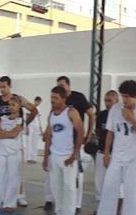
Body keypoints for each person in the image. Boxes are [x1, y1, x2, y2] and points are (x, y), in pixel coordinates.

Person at [97, 80, 136, 215]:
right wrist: (107, 153)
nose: (124, 99)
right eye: (122, 96)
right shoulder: (115, 109)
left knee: (131, 192)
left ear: (135, 96)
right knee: (109, 188)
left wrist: (132, 120)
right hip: (117, 157)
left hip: (133, 158)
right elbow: (110, 132)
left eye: (127, 96)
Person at [56, 76, 96, 213]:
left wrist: (89, 134)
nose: (61, 88)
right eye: (58, 86)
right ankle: (60, 205)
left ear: (69, 85)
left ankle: (76, 205)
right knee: (61, 179)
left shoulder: (78, 97)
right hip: (61, 144)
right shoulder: (59, 101)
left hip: (76, 141)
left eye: (62, 85)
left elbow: (91, 115)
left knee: (76, 175)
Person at [43, 86, 85, 215]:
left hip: (68, 157)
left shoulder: (71, 112)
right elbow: (48, 137)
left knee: (69, 188)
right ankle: (59, 211)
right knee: (56, 187)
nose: (52, 100)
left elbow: (80, 132)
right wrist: (45, 158)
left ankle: (69, 212)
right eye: (51, 97)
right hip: (55, 156)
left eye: (55, 98)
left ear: (63, 98)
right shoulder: (51, 116)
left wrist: (74, 154)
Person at [0, 96, 24, 212]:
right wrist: (7, 133)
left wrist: (4, 133)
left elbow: (14, 134)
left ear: (19, 106)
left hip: (14, 153)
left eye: (13, 104)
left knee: (12, 178)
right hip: (2, 152)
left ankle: (10, 203)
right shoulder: (3, 118)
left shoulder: (20, 120)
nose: (11, 107)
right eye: (10, 104)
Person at [93, 90, 117, 202]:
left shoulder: (120, 116)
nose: (107, 103)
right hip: (101, 152)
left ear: (116, 101)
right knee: (99, 182)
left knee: (114, 182)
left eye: (110, 101)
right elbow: (98, 132)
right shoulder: (101, 115)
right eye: (105, 100)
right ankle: (100, 208)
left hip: (115, 154)